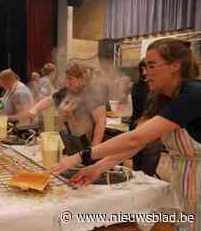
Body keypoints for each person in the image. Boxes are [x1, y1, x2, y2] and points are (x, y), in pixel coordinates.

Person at [51, 38, 201, 231]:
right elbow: (136, 143)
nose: (145, 73)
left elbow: (134, 138)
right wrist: (98, 168)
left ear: (175, 66)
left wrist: (82, 155)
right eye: (145, 66)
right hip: (184, 177)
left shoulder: (194, 94)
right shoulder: (162, 98)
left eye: (152, 66)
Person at [28, 62, 107, 150]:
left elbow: (101, 123)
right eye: (66, 78)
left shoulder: (93, 95)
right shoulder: (67, 91)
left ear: (82, 79)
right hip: (67, 140)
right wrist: (34, 110)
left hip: (86, 144)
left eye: (70, 79)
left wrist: (94, 149)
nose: (67, 83)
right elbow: (50, 99)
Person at [130, 59, 164, 176]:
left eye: (150, 68)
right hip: (141, 128)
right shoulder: (142, 88)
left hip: (151, 133)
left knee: (145, 172)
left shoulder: (157, 91)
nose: (145, 73)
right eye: (143, 69)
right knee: (139, 172)